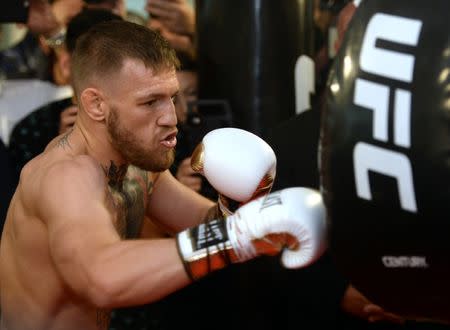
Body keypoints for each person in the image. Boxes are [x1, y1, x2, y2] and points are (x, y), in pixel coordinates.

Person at [0, 20, 326, 330]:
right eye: (150, 102)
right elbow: (101, 276)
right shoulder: (65, 176)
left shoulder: (138, 166)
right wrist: (239, 234)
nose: (171, 117)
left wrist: (242, 204)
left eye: (171, 97)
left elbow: (209, 228)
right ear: (96, 105)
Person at [7, 8, 123, 185]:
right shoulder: (32, 129)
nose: (109, 75)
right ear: (67, 64)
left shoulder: (147, 121)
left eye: (118, 64)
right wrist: (60, 151)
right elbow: (24, 203)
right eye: (97, 64)